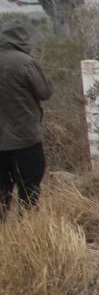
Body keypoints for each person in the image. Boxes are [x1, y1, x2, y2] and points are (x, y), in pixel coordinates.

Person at [0, 22, 53, 212]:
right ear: (22, 41)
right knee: (29, 187)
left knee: (2, 190)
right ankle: (27, 228)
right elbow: (45, 92)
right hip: (25, 137)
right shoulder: (25, 62)